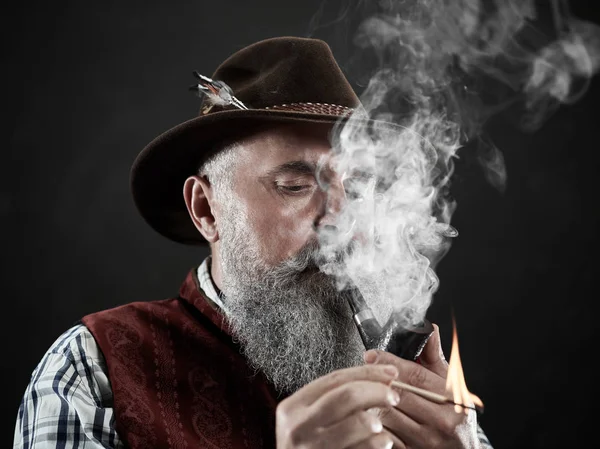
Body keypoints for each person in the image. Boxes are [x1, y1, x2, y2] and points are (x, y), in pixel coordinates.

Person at [14, 36, 493, 449]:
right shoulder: (93, 370)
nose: (342, 224)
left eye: (359, 186)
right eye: (295, 186)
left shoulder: (415, 375)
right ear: (206, 209)